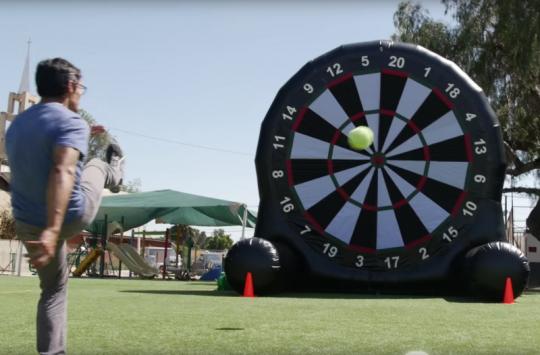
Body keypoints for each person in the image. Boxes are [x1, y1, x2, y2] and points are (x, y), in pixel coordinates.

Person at [5, 58, 124, 355]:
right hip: (68, 215)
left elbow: (35, 165)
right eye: (80, 87)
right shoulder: (72, 122)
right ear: (70, 86)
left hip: (28, 224)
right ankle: (117, 171)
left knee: (53, 289)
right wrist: (55, 229)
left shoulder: (17, 125)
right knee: (98, 164)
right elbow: (63, 171)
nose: (81, 93)